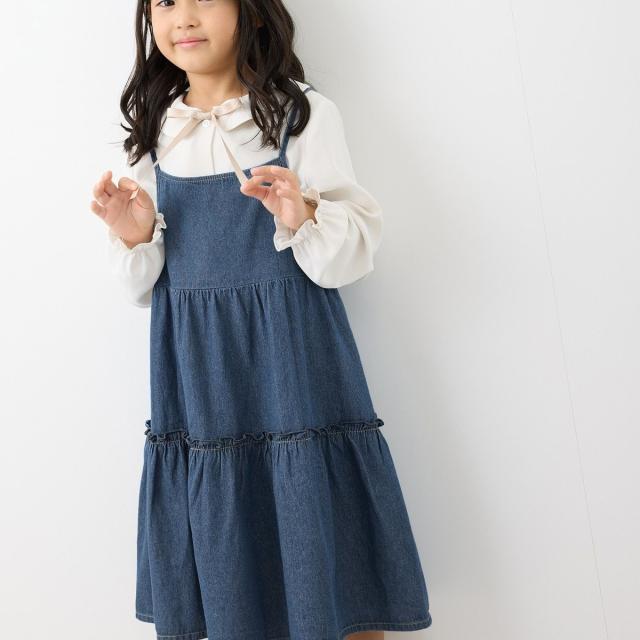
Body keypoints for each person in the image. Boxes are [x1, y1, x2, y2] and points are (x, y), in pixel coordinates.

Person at [90, 1, 433, 639]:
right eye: (165, 1)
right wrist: (134, 235)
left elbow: (346, 257)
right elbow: (142, 287)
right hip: (200, 374)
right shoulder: (155, 132)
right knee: (231, 558)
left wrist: (303, 213)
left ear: (249, 11)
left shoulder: (298, 113)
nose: (183, 16)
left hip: (293, 357)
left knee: (329, 557)